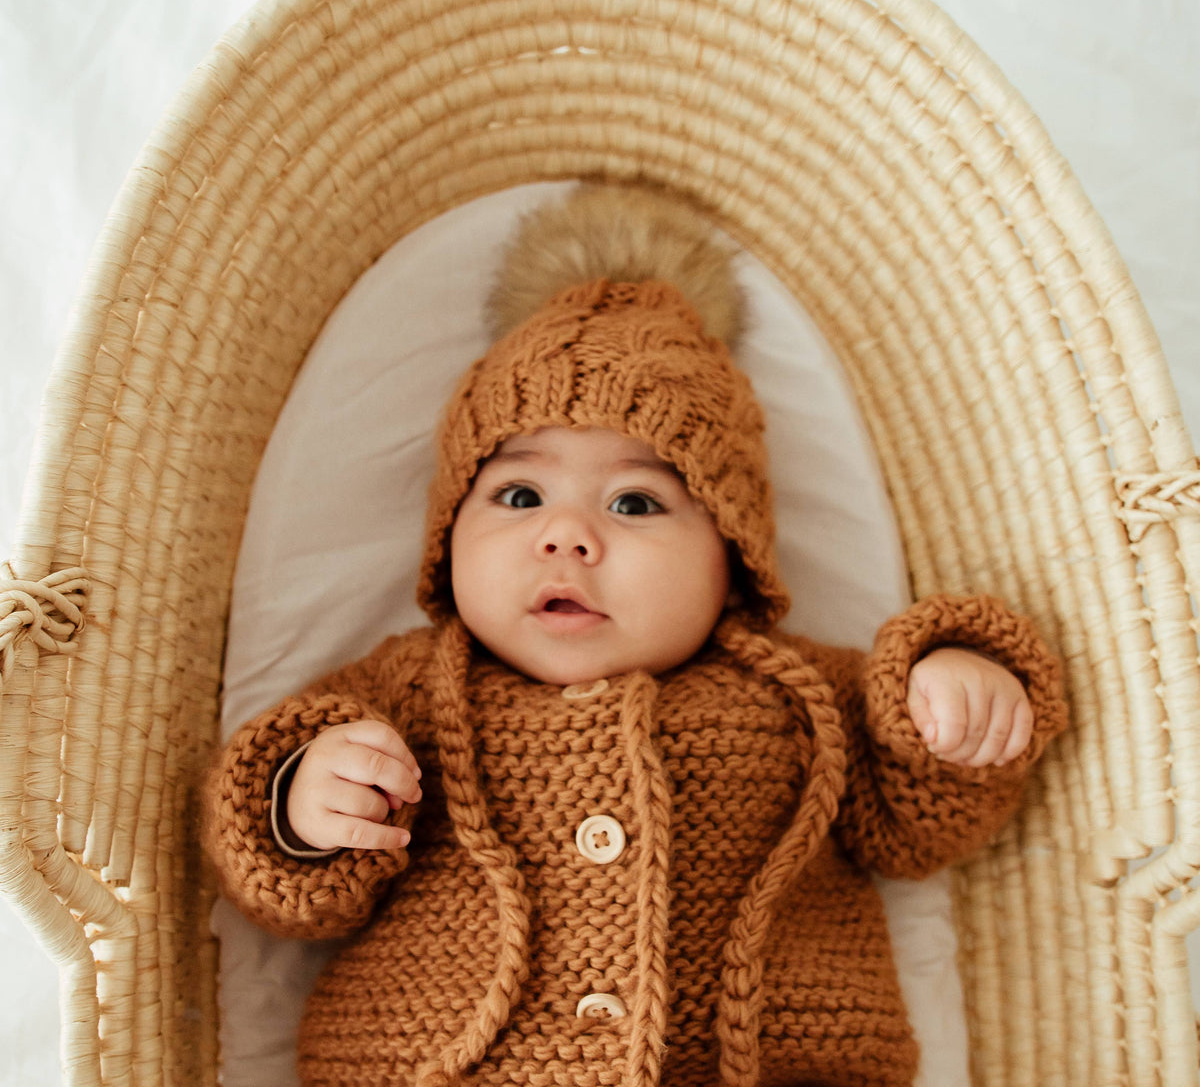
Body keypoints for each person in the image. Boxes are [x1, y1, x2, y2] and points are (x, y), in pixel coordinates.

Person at [204, 183, 1067, 1087]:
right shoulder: (405, 695)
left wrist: (955, 689)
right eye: (520, 494)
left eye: (635, 502)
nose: (567, 535)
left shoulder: (799, 698)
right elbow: (274, 876)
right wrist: (302, 805)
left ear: (730, 557)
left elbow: (916, 822)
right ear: (448, 531)